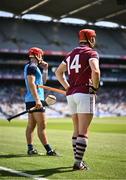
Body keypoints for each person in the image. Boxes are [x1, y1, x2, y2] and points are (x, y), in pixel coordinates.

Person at [55, 29, 100, 170]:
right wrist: (95, 87)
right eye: (94, 38)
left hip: (72, 95)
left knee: (76, 130)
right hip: (85, 92)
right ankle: (78, 163)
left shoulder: (70, 54)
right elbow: (96, 71)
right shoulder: (91, 53)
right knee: (83, 132)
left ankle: (77, 160)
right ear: (91, 39)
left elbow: (58, 72)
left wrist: (67, 87)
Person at [24, 47, 57, 156]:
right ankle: (49, 150)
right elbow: (31, 83)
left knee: (31, 126)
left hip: (30, 100)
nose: (42, 58)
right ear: (38, 56)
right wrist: (38, 100)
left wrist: (46, 68)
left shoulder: (30, 66)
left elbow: (42, 82)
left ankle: (30, 149)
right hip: (35, 99)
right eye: (41, 56)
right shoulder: (33, 66)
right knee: (42, 126)